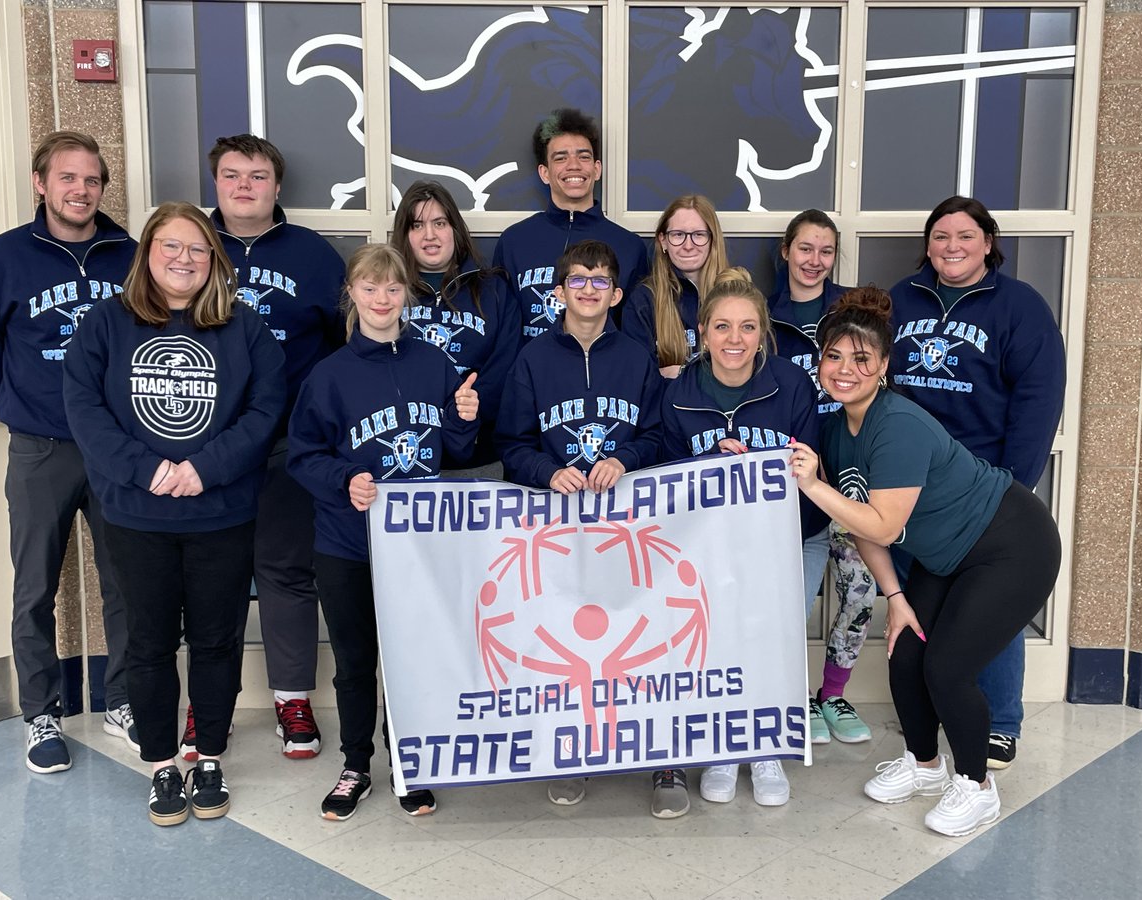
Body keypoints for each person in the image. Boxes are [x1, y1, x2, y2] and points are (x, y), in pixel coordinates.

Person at [788, 286, 1060, 837]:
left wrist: (813, 485)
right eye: (833, 356)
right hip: (946, 554)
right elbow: (863, 528)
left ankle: (977, 786)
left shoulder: (898, 423)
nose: (844, 369)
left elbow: (884, 524)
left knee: (948, 667)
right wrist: (894, 598)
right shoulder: (840, 431)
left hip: (1011, 544)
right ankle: (925, 766)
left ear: (884, 364)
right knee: (906, 651)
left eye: (861, 358)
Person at [62, 201, 286, 826]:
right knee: (150, 644)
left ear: (213, 259)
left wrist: (204, 469)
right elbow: (84, 409)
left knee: (217, 641)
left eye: (197, 249)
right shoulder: (105, 324)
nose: (185, 259)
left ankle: (209, 755)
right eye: (171, 246)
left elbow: (265, 412)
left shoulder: (246, 330)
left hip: (221, 513)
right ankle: (162, 765)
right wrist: (149, 470)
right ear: (147, 254)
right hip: (137, 515)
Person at [0, 130, 137, 772]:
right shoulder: (3, 258)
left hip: (117, 447)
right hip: (41, 446)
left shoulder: (129, 255)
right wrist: (13, 409)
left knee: (126, 580)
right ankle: (41, 714)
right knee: (35, 584)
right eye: (67, 178)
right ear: (41, 183)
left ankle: (123, 699)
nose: (80, 190)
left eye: (91, 179)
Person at [287, 245, 479, 821]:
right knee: (354, 658)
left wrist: (464, 418)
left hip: (418, 546)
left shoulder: (435, 363)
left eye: (393, 289)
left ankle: (408, 760)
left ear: (406, 295)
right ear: (353, 294)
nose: (382, 299)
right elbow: (303, 456)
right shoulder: (329, 375)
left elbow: (458, 451)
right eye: (370, 289)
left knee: (410, 657)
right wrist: (345, 479)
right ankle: (355, 763)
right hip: (347, 543)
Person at [889, 196, 1066, 769]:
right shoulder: (902, 299)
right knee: (926, 603)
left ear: (988, 242)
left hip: (986, 490)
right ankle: (938, 711)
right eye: (940, 236)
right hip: (915, 490)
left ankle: (1000, 723)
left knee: (989, 608)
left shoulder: (1019, 308)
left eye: (965, 236)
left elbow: (1038, 401)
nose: (952, 247)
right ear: (928, 244)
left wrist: (1011, 486)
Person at [191, 134, 346, 762]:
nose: (245, 186)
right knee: (214, 579)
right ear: (217, 184)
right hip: (208, 448)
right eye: (232, 175)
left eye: (258, 176)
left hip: (288, 443)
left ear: (277, 186)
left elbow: (343, 345)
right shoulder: (187, 248)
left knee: (285, 571)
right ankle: (209, 707)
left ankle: (291, 697)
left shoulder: (313, 254)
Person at [495, 239, 663, 812]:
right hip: (559, 531)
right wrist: (547, 471)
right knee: (571, 642)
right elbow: (512, 445)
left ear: (616, 294)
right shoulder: (533, 359)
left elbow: (659, 435)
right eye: (577, 280)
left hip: (628, 530)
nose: (588, 288)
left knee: (641, 640)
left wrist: (626, 460)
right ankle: (573, 753)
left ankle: (662, 763)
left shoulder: (637, 359)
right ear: (558, 291)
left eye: (599, 280)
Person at [661, 267, 820, 812]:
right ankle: (724, 747)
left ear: (763, 333)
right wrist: (709, 469)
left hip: (784, 540)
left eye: (748, 327)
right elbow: (661, 476)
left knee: (771, 639)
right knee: (719, 641)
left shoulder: (792, 384)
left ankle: (767, 747)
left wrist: (775, 474)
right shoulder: (678, 391)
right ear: (702, 331)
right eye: (723, 326)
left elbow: (811, 471)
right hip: (707, 546)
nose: (735, 339)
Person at [767, 209, 872, 746]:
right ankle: (792, 694)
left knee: (860, 590)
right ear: (785, 251)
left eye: (826, 251)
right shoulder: (763, 315)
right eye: (805, 248)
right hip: (792, 485)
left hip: (851, 478)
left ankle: (830, 693)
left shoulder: (853, 312)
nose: (815, 261)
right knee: (792, 600)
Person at [390, 180, 520, 470]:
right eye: (417, 225)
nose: (430, 235)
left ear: (455, 230)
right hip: (405, 448)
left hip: (480, 452)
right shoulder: (388, 292)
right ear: (404, 234)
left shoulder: (494, 290)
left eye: (440, 223)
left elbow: (506, 367)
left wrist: (466, 415)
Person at [493, 108, 649, 344]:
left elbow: (635, 337)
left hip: (602, 377)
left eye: (583, 156)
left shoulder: (629, 246)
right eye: (561, 157)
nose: (573, 165)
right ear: (545, 173)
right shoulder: (514, 242)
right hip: (531, 377)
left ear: (597, 169)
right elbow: (503, 331)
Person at [621, 194, 728, 377]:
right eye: (678, 235)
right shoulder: (643, 302)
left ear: (713, 240)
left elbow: (754, 368)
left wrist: (679, 371)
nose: (688, 245)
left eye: (698, 235)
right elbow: (639, 379)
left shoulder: (736, 295)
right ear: (663, 241)